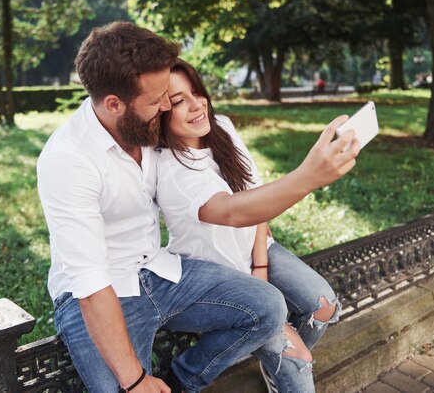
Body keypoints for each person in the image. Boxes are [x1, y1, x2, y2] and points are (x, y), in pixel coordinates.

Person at [37, 21, 359, 393]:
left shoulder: (145, 131)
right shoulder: (68, 160)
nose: (164, 107)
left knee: (268, 306)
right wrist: (136, 379)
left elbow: (228, 197)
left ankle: (182, 379)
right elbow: (91, 285)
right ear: (114, 104)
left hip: (157, 270)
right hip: (99, 292)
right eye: (159, 99)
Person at [156, 59, 342, 393]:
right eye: (179, 101)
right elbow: (232, 212)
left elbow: (254, 197)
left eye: (196, 91)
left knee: (323, 305)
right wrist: (307, 177)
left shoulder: (222, 127)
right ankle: (277, 355)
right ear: (160, 114)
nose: (196, 104)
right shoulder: (171, 171)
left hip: (258, 247)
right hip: (217, 275)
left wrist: (260, 264)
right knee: (298, 360)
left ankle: (271, 358)